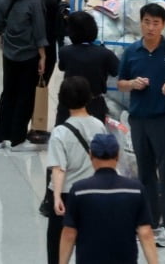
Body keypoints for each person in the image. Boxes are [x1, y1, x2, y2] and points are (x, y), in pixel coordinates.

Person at [114, 2, 165, 247]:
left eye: (156, 23)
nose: (151, 27)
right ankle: (151, 222)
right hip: (139, 118)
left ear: (163, 25)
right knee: (144, 174)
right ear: (140, 23)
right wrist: (132, 84)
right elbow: (120, 82)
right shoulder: (132, 51)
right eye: (146, 22)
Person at [59, 133, 159, 264]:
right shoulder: (135, 189)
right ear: (117, 155)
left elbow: (69, 233)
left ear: (90, 155)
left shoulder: (79, 190)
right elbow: (145, 233)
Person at [45, 75, 109, 264]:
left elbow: (59, 168)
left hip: (66, 194)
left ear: (63, 100)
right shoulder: (99, 125)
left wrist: (56, 197)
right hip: (92, 192)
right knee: (89, 243)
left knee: (57, 245)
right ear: (88, 97)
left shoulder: (60, 132)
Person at [0, 0, 48, 151]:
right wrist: (43, 55)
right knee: (25, 95)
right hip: (29, 54)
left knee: (7, 93)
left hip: (8, 53)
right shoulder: (33, 0)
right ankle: (17, 138)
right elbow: (39, 30)